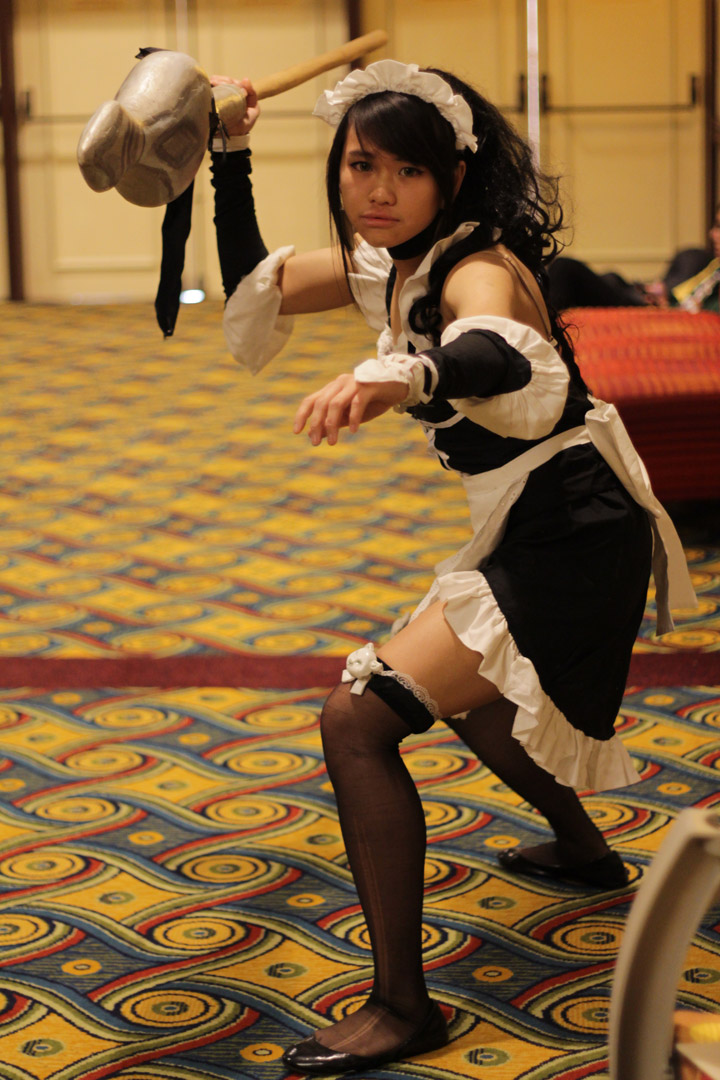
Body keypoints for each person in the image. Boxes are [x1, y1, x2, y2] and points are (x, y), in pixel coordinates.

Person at [208, 61, 696, 1074]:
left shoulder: (480, 264)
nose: (379, 192)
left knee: (358, 718)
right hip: (531, 520)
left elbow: (497, 351)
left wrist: (406, 372)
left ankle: (402, 1007)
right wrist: (229, 156)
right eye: (361, 166)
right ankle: (583, 850)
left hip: (574, 530)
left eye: (408, 171)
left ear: (454, 178)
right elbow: (258, 282)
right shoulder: (389, 261)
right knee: (480, 707)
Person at [547, 208, 720, 312]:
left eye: (719, 227)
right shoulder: (714, 266)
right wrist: (664, 293)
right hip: (653, 300)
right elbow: (684, 293)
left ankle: (545, 334)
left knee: (565, 269)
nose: (712, 234)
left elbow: (699, 309)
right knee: (611, 277)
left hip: (653, 313)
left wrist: (669, 306)